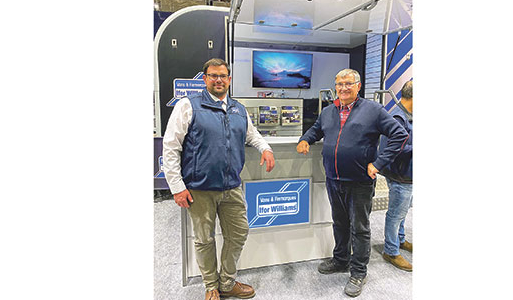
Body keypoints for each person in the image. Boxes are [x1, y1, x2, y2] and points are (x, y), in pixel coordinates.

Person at [162, 58, 275, 300]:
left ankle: (226, 282)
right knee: (204, 239)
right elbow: (171, 147)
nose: (218, 80)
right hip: (199, 188)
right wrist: (176, 187)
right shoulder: (188, 106)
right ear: (205, 79)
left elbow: (252, 135)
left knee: (239, 233)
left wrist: (266, 149)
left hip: (232, 187)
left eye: (223, 76)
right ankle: (210, 286)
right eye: (213, 75)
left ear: (229, 79)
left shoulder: (238, 109)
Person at [296, 69, 409, 298]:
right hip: (333, 179)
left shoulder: (373, 110)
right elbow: (316, 130)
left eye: (348, 84)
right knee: (339, 223)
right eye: (339, 84)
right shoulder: (329, 111)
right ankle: (340, 260)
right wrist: (305, 139)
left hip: (359, 181)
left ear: (358, 86)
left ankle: (358, 271)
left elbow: (399, 135)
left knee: (360, 228)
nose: (343, 88)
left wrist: (378, 163)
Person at [379, 80, 413, 272]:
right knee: (395, 213)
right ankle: (391, 250)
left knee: (403, 211)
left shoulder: (409, 116)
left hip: (408, 175)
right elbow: (389, 149)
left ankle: (400, 240)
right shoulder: (397, 118)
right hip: (400, 176)